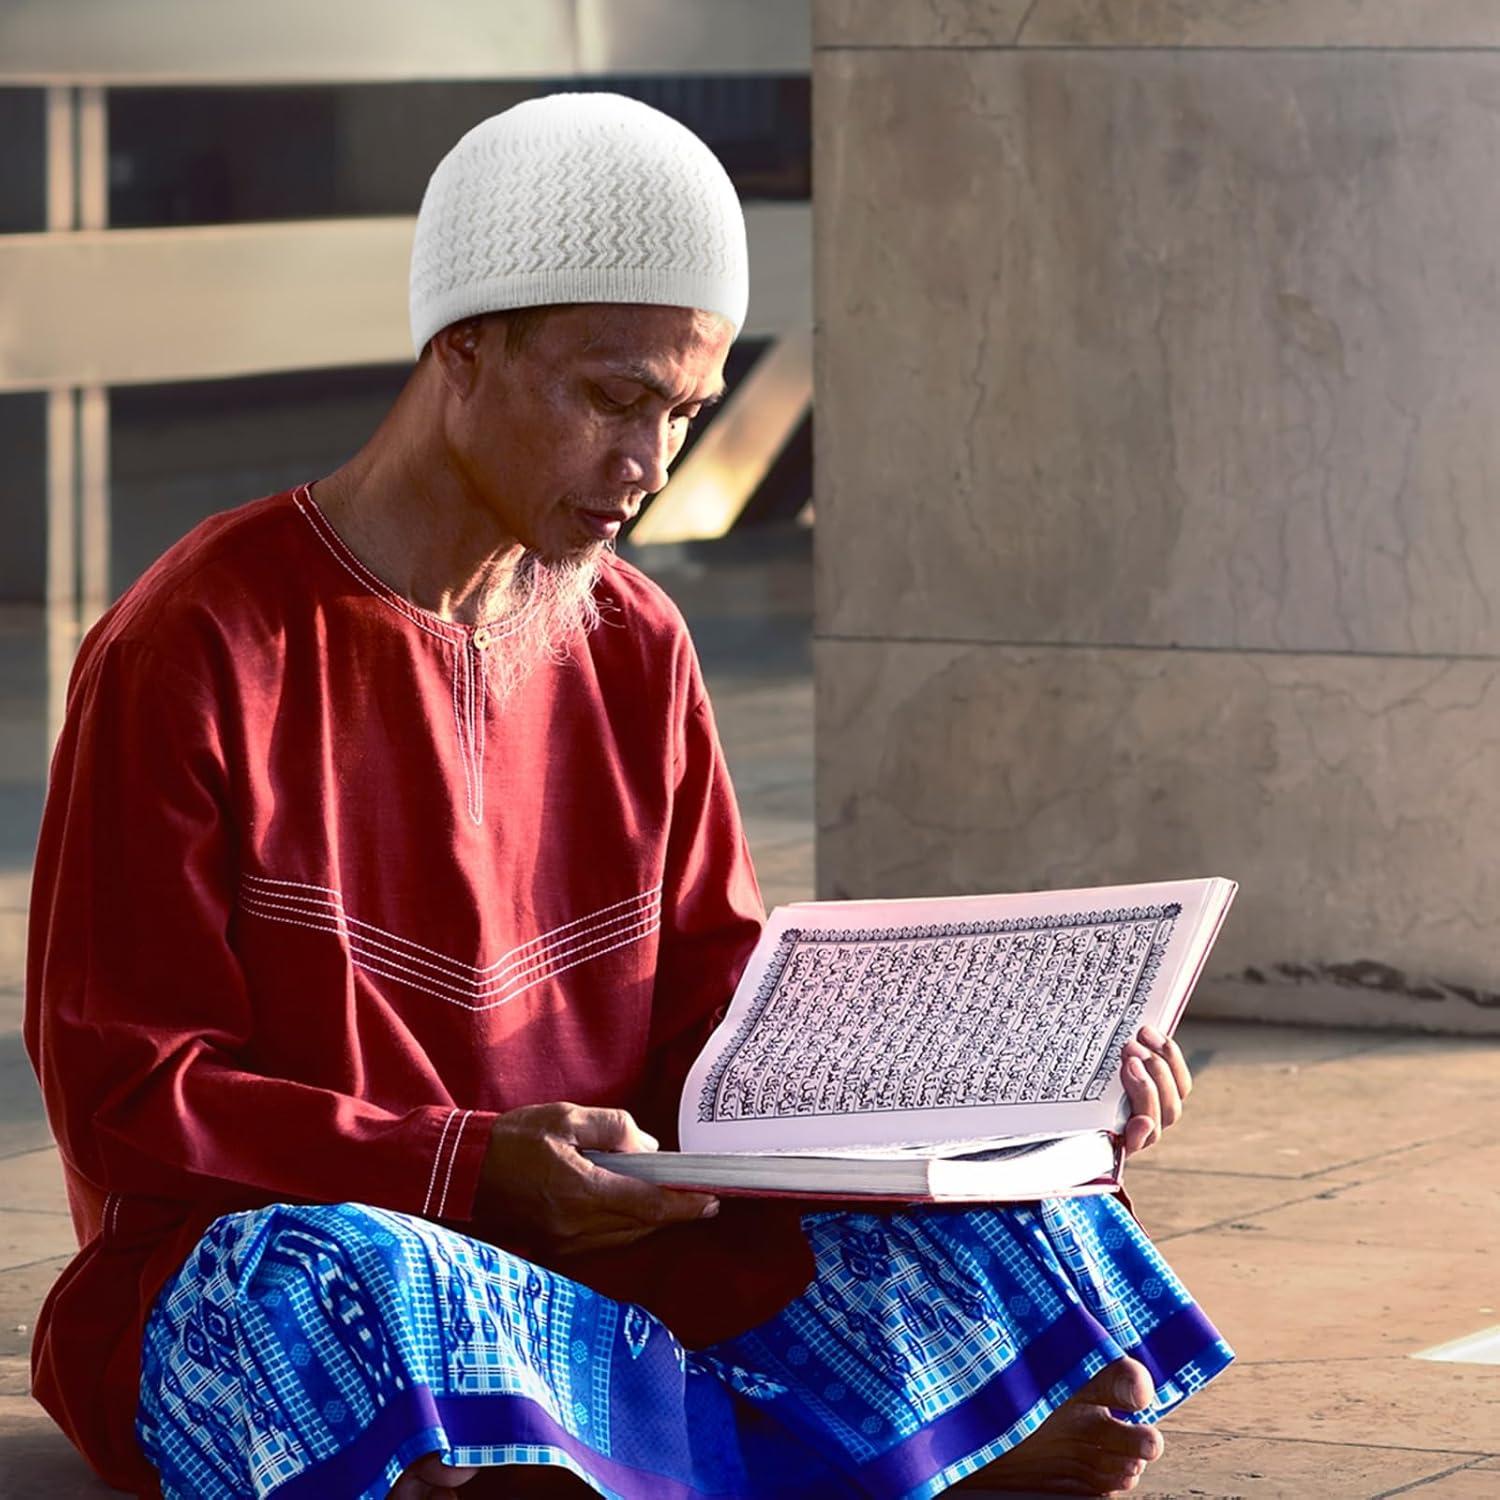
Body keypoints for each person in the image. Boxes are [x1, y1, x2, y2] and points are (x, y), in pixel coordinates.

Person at [24, 93, 1231, 1499]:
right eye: (613, 399)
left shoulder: (633, 638)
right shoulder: (196, 642)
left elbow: (717, 1033)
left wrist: (1027, 1109)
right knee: (339, 1291)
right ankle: (811, 1453)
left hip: (626, 1255)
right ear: (461, 350)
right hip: (311, 1247)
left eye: (685, 413)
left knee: (1054, 1279)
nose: (649, 468)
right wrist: (466, 1169)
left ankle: (640, 1449)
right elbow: (127, 1093)